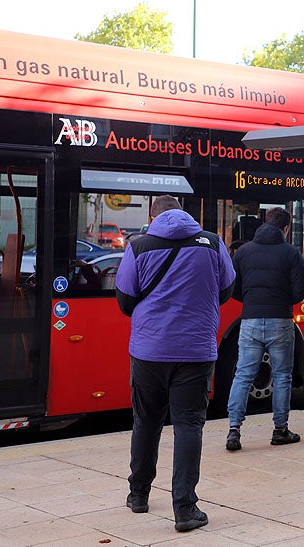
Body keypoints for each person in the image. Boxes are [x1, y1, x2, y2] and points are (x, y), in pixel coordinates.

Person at [114, 195, 235, 533]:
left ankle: (138, 495)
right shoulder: (211, 244)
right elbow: (226, 289)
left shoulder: (139, 246)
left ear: (153, 215)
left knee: (146, 422)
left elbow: (125, 299)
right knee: (188, 426)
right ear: (185, 212)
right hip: (196, 352)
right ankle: (185, 509)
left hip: (149, 351)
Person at [225, 207, 304, 451]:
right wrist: (282, 300)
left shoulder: (243, 251)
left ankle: (233, 431)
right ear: (286, 228)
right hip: (280, 320)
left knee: (242, 375)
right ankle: (280, 430)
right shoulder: (291, 253)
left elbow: (233, 287)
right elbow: (301, 289)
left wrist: (251, 301)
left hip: (250, 319)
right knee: (282, 376)